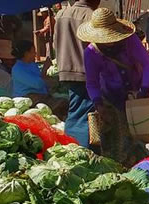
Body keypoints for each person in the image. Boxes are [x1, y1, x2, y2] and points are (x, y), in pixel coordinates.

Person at [78, 7, 149, 166]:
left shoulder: (130, 40)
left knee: (137, 139)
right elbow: (92, 82)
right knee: (115, 143)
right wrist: (98, 103)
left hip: (135, 94)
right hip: (110, 98)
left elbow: (147, 64)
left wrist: (144, 89)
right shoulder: (91, 53)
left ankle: (141, 168)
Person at [54, 0, 100, 147]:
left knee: (75, 110)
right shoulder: (92, 16)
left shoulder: (61, 14)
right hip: (85, 71)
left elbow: (56, 42)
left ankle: (71, 145)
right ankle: (79, 148)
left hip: (66, 68)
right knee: (84, 116)